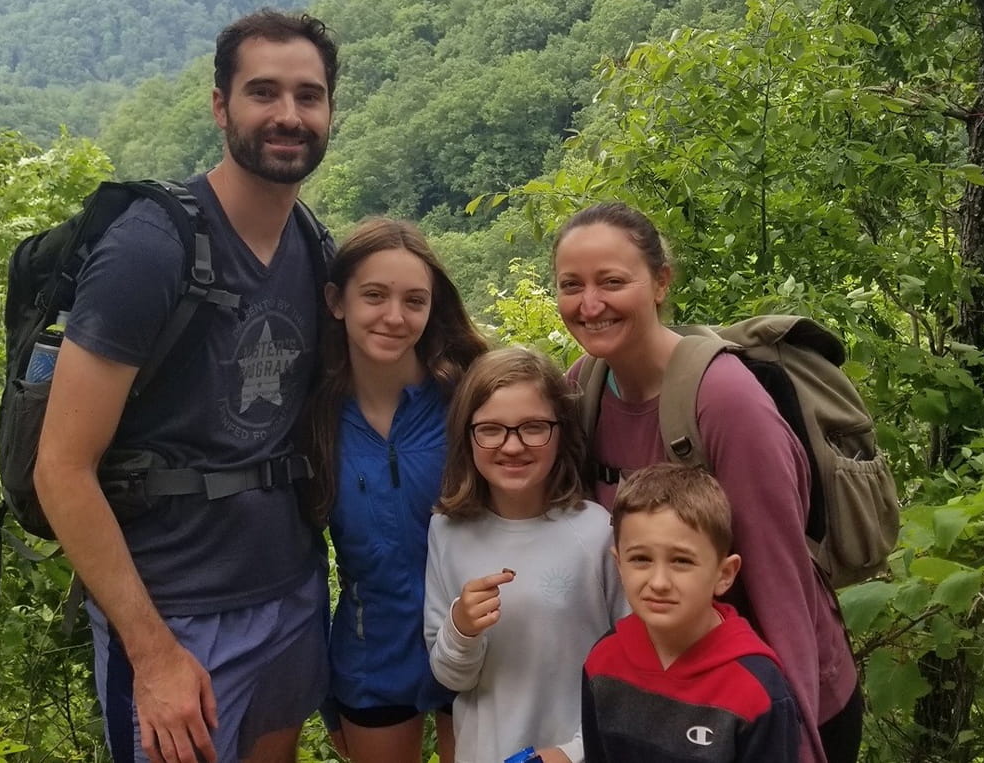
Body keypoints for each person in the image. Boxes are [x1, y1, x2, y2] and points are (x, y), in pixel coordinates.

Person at [33, 11, 339, 763]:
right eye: (263, 92)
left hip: (291, 595)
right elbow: (60, 468)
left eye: (310, 95)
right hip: (177, 618)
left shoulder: (314, 246)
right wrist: (153, 651)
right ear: (219, 104)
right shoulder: (152, 246)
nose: (288, 115)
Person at [552, 202, 860, 763]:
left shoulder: (725, 400)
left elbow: (781, 580)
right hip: (671, 699)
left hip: (772, 709)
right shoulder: (584, 389)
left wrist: (798, 740)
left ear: (661, 282)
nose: (589, 304)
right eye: (571, 285)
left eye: (612, 282)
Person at [305, 217, 487, 763]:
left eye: (414, 300)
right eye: (374, 296)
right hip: (370, 649)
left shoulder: (468, 401)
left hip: (474, 635)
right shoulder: (313, 418)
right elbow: (300, 559)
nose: (394, 316)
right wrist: (323, 691)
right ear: (337, 301)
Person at [424, 348, 630, 763]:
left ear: (561, 432)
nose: (512, 446)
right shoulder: (447, 531)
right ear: (467, 435)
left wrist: (573, 753)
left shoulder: (596, 530)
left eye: (534, 427)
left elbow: (633, 667)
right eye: (491, 429)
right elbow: (451, 678)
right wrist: (461, 629)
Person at [582, 462, 799, 763]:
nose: (658, 583)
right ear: (619, 565)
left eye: (681, 561)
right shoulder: (602, 661)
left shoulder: (757, 689)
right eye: (641, 559)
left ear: (724, 573)